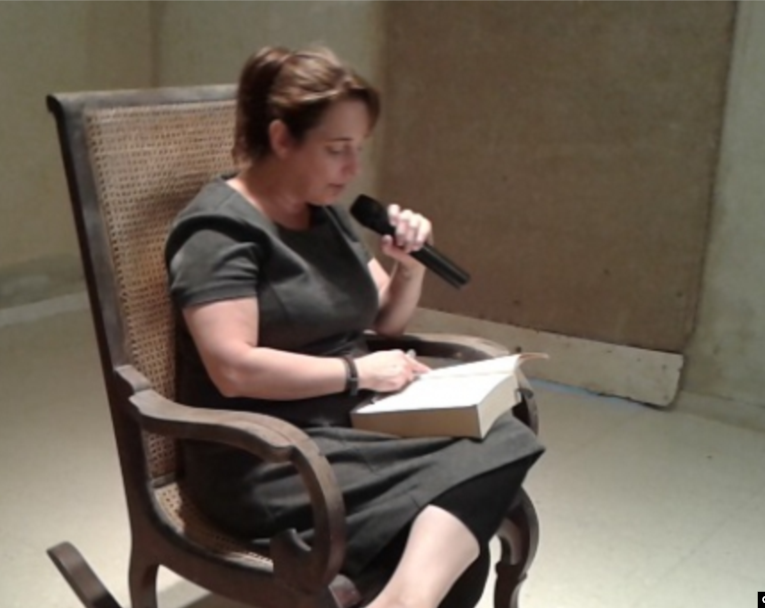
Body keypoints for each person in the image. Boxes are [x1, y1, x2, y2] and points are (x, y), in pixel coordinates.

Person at [164, 45, 544, 608]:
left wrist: (408, 266)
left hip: (351, 425)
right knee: (485, 472)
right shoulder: (219, 230)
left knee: (486, 467)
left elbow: (384, 318)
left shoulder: (326, 213)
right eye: (336, 149)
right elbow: (233, 368)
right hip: (269, 454)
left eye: (358, 148)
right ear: (281, 138)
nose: (353, 168)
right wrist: (356, 373)